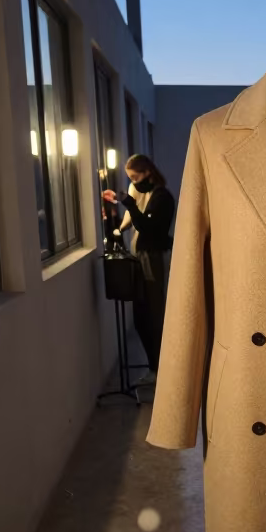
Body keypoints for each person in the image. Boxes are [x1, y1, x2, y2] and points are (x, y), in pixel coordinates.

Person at [103, 154, 175, 386]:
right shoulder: (139, 191)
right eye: (130, 178)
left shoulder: (162, 197)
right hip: (139, 258)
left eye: (135, 177)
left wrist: (131, 207)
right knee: (141, 316)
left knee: (153, 315)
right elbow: (131, 219)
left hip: (152, 258)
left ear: (147, 172)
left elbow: (147, 227)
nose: (133, 182)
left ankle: (162, 369)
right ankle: (155, 366)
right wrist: (117, 228)